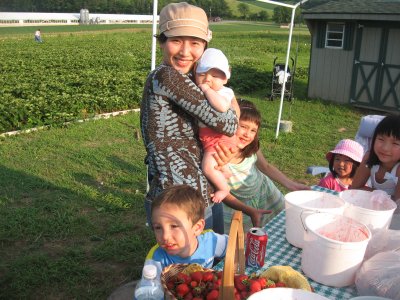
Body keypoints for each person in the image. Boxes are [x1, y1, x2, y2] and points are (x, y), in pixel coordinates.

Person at [140, 2, 238, 234]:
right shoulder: (168, 77)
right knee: (189, 267)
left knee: (208, 261)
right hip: (179, 200)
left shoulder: (189, 80)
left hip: (197, 190)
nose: (185, 51)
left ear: (204, 45)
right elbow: (228, 123)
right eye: (176, 41)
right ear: (161, 42)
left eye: (195, 43)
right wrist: (230, 100)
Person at [221, 100, 310, 233]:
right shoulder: (219, 154)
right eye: (243, 127)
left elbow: (266, 167)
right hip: (240, 206)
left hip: (265, 192)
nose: (247, 134)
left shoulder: (251, 147)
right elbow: (223, 192)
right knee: (244, 243)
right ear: (231, 125)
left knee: (281, 226)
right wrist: (249, 210)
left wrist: (292, 185)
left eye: (253, 130)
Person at [195, 48, 240, 203]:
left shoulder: (224, 92)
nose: (207, 79)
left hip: (219, 139)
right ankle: (224, 171)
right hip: (211, 139)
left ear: (225, 78)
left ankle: (223, 188)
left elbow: (221, 106)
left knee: (207, 167)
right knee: (214, 163)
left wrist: (207, 90)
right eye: (202, 74)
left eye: (214, 75)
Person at [145, 185, 228, 269]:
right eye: (158, 227)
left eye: (174, 226)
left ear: (197, 228)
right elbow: (149, 282)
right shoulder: (156, 260)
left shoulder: (211, 241)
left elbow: (236, 246)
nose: (165, 236)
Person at [351, 115, 400, 207]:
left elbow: (398, 205)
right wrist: (378, 195)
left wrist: (377, 195)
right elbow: (354, 188)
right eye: (381, 139)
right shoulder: (369, 158)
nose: (385, 148)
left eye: (395, 143)